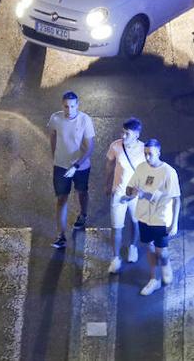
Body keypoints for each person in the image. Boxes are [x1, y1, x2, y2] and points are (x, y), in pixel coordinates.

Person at [122, 138, 181, 296]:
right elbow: (129, 188)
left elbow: (176, 199)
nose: (147, 157)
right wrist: (133, 192)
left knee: (161, 252)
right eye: (145, 154)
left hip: (160, 219)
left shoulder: (168, 172)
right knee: (148, 248)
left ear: (158, 153)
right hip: (143, 217)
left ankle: (166, 264)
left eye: (151, 154)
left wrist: (174, 224)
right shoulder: (141, 168)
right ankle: (153, 279)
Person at [47, 91, 95, 249]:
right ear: (62, 105)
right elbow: (53, 135)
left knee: (81, 192)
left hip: (81, 167)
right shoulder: (56, 118)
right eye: (66, 106)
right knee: (61, 199)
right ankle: (61, 235)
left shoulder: (84, 120)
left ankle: (83, 214)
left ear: (77, 105)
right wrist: (55, 155)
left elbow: (89, 148)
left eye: (72, 106)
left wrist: (76, 165)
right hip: (61, 166)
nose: (69, 110)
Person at [104, 118, 145, 274]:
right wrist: (107, 184)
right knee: (117, 227)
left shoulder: (143, 149)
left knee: (135, 223)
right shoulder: (116, 146)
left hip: (136, 195)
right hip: (119, 194)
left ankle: (133, 247)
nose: (123, 135)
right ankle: (115, 258)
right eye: (123, 132)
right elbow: (109, 164)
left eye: (127, 133)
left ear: (136, 135)